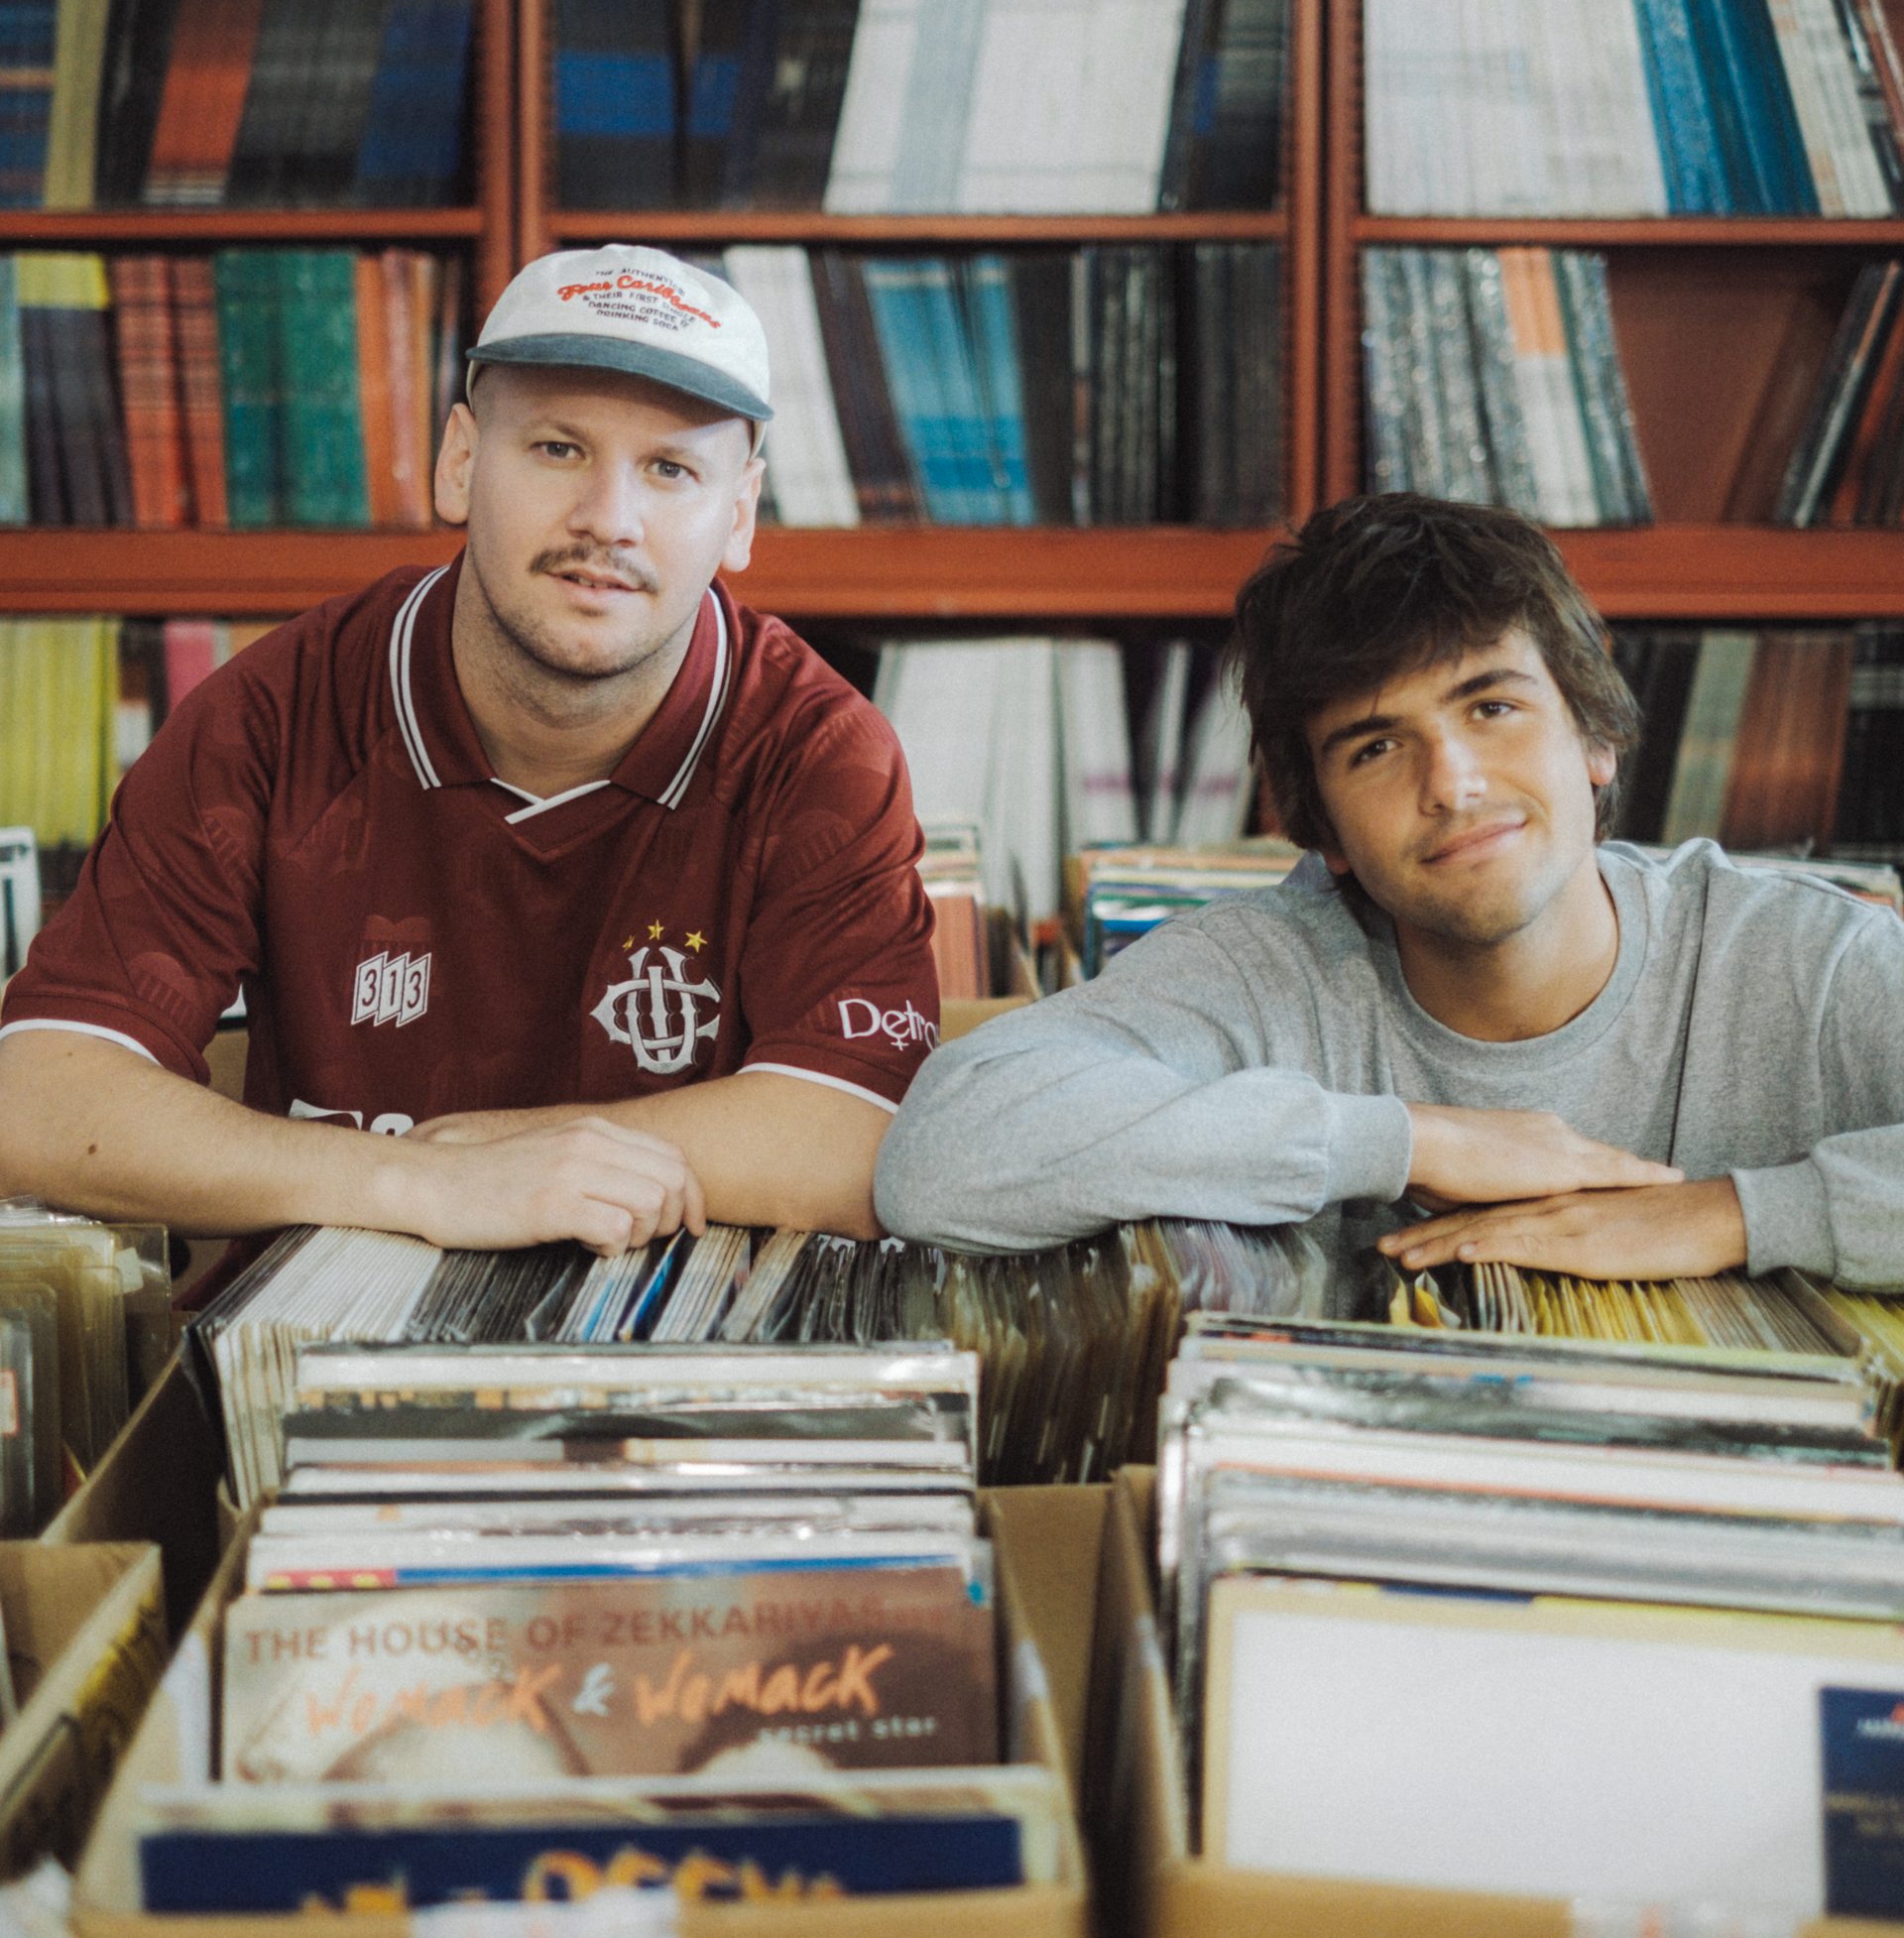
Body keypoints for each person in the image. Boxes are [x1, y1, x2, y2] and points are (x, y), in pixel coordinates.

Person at [0, 246, 938, 1258]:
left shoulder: (818, 753)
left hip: (679, 1347)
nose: (608, 521)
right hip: (322, 1338)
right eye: (557, 449)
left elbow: (861, 1141)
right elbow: (37, 1097)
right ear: (460, 461)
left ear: (741, 512)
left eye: (670, 469)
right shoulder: (274, 714)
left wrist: (521, 1156)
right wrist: (424, 1182)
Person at [876, 494, 1904, 1287]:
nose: (1451, 784)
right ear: (1322, 828)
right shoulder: (1271, 968)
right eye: (1375, 747)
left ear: (1594, 735)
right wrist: (1410, 1140)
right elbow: (939, 1154)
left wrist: (1737, 1215)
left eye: (1492, 707)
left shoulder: (1804, 963)